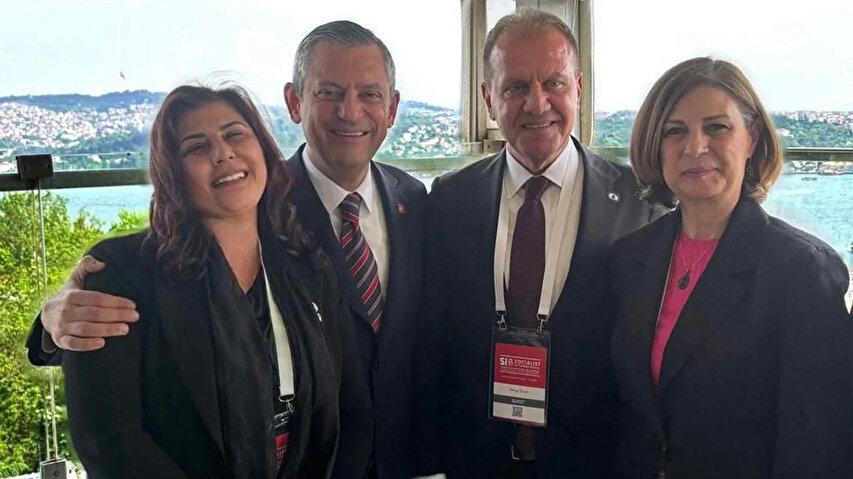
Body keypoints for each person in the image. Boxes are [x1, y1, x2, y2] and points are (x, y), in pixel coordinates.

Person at [27, 20, 427, 479]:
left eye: (369, 94)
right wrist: (51, 321)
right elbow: (110, 425)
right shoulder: (255, 198)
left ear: (392, 107)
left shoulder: (413, 200)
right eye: (329, 92)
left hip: (388, 457)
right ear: (295, 102)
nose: (350, 111)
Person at [61, 84, 372, 478]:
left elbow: (351, 409)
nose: (223, 153)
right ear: (173, 173)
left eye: (235, 134)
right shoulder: (124, 273)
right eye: (197, 147)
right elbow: (109, 439)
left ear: (263, 150)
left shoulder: (310, 266)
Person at [415, 9, 659, 479]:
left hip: (595, 463)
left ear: (578, 90)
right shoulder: (449, 200)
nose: (537, 103)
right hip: (477, 461)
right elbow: (431, 344)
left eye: (554, 83)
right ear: (488, 99)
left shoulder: (638, 202)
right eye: (515, 87)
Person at [609, 57, 852, 478]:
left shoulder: (802, 271)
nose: (695, 147)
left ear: (752, 138)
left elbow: (817, 443)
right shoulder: (630, 258)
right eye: (674, 131)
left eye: (716, 127)